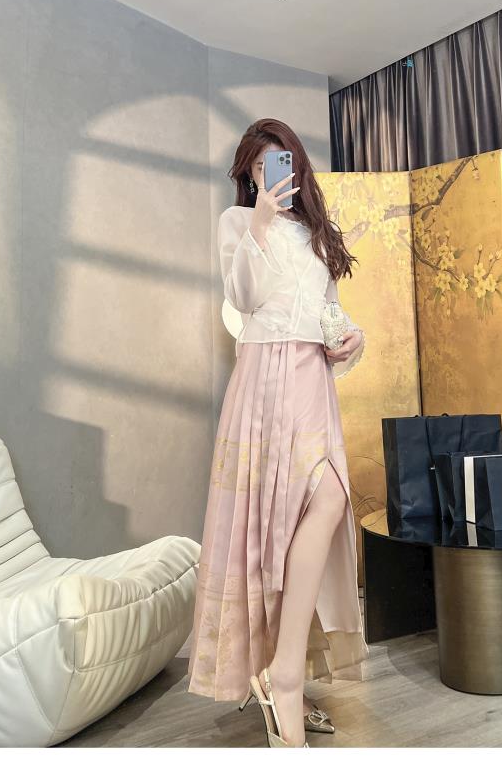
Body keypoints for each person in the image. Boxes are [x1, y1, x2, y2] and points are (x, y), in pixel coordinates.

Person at [187, 118, 369, 747]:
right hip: (266, 380)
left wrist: (351, 338)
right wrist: (259, 223)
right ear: (249, 173)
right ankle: (280, 677)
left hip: (313, 379)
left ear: (299, 166)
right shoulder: (238, 223)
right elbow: (244, 298)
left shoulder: (316, 233)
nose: (273, 175)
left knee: (329, 498)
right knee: (273, 527)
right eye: (261, 166)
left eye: (281, 162)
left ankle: (283, 673)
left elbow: (325, 310)